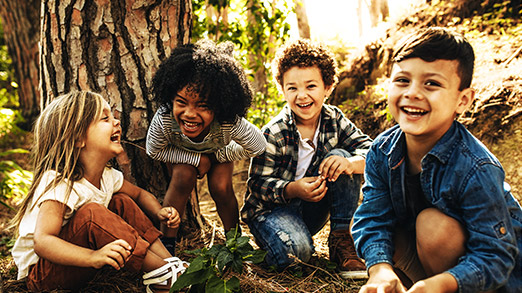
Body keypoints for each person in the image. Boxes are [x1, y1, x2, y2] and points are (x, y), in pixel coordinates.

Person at [352, 27, 522, 292]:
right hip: (427, 267)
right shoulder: (382, 150)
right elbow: (372, 218)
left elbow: (496, 255)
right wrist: (380, 270)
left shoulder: (476, 167)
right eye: (402, 80)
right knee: (384, 230)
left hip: (490, 280)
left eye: (431, 83)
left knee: (432, 225)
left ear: (463, 100)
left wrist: (441, 285)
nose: (412, 93)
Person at [10, 91, 188, 293]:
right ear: (78, 138)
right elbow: (43, 242)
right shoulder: (60, 182)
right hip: (43, 274)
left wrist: (158, 212)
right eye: (105, 118)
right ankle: (161, 275)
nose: (116, 122)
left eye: (113, 116)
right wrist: (92, 258)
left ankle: (169, 263)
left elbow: (138, 195)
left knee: (122, 202)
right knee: (91, 214)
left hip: (78, 264)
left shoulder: (107, 176)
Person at [241, 39, 373, 279]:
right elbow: (257, 185)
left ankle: (341, 238)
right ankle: (282, 243)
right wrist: (292, 189)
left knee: (341, 157)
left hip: (312, 208)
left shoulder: (334, 119)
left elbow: (371, 150)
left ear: (328, 87)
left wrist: (351, 164)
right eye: (292, 88)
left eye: (311, 86)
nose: (302, 96)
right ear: (282, 90)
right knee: (297, 254)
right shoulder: (274, 132)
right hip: (271, 212)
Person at [146, 39, 266, 255]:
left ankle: (235, 243)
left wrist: (221, 154)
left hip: (218, 152)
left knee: (221, 187)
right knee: (182, 176)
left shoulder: (228, 122)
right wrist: (196, 160)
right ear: (170, 98)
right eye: (181, 102)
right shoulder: (164, 118)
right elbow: (153, 150)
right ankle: (166, 249)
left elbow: (257, 145)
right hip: (183, 155)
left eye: (202, 106)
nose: (190, 113)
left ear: (219, 107)